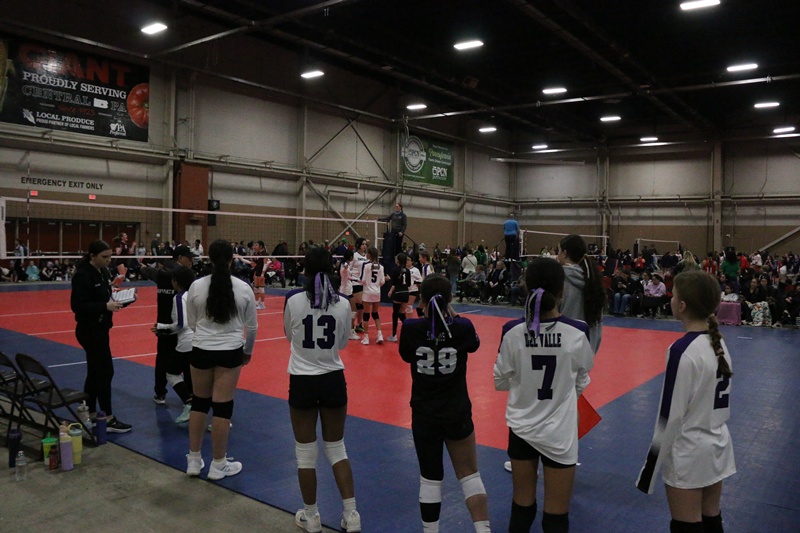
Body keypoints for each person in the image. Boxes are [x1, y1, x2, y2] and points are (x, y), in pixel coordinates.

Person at [494, 258, 594, 533]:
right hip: (560, 433)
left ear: (526, 288)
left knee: (521, 507)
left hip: (522, 428)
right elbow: (582, 380)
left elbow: (499, 381)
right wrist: (561, 393)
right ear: (562, 291)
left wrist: (524, 384)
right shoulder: (578, 331)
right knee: (556, 515)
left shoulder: (512, 331)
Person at [636, 271, 735, 533]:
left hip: (689, 452)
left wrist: (649, 470)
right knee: (712, 520)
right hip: (718, 445)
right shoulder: (719, 343)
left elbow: (670, 416)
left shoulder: (682, 350)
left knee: (686, 526)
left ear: (681, 306)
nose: (670, 298)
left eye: (673, 295)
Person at [399, 274, 490, 533]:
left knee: (430, 479)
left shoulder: (411, 329)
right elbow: (473, 345)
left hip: (424, 413)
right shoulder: (463, 327)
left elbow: (407, 356)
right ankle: (483, 530)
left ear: (422, 301)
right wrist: (450, 315)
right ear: (450, 299)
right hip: (456, 410)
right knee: (469, 474)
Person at [283, 246, 361, 533]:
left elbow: (288, 335)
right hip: (332, 379)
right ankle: (351, 515)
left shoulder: (293, 300)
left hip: (302, 379)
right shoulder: (342, 303)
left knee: (305, 453)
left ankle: (312, 516)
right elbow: (342, 343)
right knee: (337, 448)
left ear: (305, 270)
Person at [185, 240, 258, 480]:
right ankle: (218, 464)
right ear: (231, 259)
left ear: (208, 258)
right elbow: (252, 327)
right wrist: (247, 351)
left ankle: (193, 460)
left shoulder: (196, 286)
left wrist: (206, 337)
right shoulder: (244, 288)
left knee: (199, 403)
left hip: (201, 349)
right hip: (230, 351)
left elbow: (192, 323)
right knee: (222, 407)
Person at [70, 240, 132, 433]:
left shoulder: (104, 272)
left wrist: (121, 299)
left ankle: (89, 412)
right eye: (104, 257)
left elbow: (106, 296)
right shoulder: (83, 275)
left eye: (110, 256)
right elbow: (78, 306)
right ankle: (108, 418)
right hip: (89, 330)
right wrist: (105, 306)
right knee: (105, 372)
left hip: (102, 328)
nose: (108, 260)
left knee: (95, 372)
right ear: (92, 256)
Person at [141, 245, 195, 407]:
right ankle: (189, 395)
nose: (191, 262)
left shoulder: (161, 273)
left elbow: (149, 272)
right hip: (180, 327)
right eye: (189, 258)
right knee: (186, 363)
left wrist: (142, 267)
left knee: (163, 360)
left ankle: (160, 393)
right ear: (180, 258)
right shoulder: (185, 276)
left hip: (163, 325)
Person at [153, 266, 196, 423]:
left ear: (176, 281)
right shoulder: (195, 295)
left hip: (186, 343)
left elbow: (181, 324)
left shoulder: (179, 297)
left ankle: (189, 403)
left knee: (171, 372)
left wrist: (162, 327)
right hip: (200, 341)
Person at [557, 235, 605, 353]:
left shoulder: (559, 281)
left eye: (558, 251)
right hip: (587, 352)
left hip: (563, 352)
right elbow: (597, 326)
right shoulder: (594, 281)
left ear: (564, 253)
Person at [359, 247, 385, 345]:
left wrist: (356, 280)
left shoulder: (366, 266)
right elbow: (382, 281)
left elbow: (363, 280)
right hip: (377, 292)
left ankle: (366, 337)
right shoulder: (381, 267)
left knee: (366, 314)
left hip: (367, 292)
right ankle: (380, 335)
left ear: (370, 255)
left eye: (367, 253)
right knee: (375, 313)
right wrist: (376, 285)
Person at [387, 253, 411, 343]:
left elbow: (394, 283)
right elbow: (409, 284)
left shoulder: (395, 270)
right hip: (406, 293)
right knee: (402, 313)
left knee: (395, 314)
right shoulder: (408, 270)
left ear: (398, 260)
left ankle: (394, 335)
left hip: (398, 293)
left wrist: (390, 290)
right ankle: (409, 330)